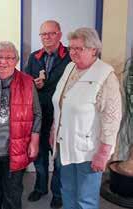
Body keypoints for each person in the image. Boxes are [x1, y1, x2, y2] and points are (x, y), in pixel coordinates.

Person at [51, 27, 122, 209]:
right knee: (67, 193)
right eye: (71, 48)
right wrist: (54, 129)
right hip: (65, 145)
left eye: (79, 49)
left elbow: (112, 118)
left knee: (85, 201)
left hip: (89, 152)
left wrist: (104, 153)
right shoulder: (69, 68)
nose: (73, 53)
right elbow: (61, 103)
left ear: (93, 49)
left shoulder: (105, 75)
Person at [0, 41, 42, 209]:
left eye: (9, 58)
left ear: (16, 61)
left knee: (12, 192)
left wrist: (34, 141)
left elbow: (37, 114)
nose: (3, 62)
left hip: (15, 148)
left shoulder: (27, 82)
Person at [23, 20, 71, 209]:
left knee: (59, 158)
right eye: (43, 34)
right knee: (40, 154)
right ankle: (40, 187)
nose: (47, 37)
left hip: (62, 116)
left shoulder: (70, 56)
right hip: (40, 114)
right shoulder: (34, 57)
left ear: (59, 34)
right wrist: (34, 84)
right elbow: (26, 83)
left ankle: (57, 192)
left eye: (51, 33)